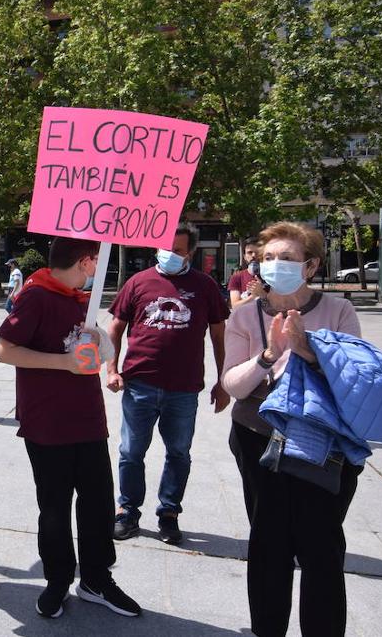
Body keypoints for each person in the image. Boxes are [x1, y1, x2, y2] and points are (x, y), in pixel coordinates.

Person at [221, 222, 363, 637]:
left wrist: (307, 351)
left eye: (286, 258)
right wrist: (268, 355)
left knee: (321, 546)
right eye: (268, 258)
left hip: (323, 444)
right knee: (269, 543)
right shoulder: (244, 314)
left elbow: (355, 381)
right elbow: (233, 384)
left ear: (311, 266)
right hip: (258, 439)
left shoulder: (338, 311)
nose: (274, 265)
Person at [0, 236, 142, 619]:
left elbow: (95, 352)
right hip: (46, 422)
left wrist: (98, 343)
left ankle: (96, 579)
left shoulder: (81, 299)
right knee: (55, 507)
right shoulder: (36, 295)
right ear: (85, 261)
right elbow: (4, 350)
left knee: (98, 502)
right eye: (97, 259)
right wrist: (64, 363)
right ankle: (58, 580)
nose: (98, 267)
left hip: (88, 418)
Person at [106, 225, 230, 545]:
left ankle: (169, 513)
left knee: (178, 453)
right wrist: (112, 369)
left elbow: (219, 336)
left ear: (190, 253)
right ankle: (127, 511)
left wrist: (223, 381)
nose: (170, 254)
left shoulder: (205, 286)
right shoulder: (138, 282)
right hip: (139, 385)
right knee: (131, 451)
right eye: (165, 248)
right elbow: (115, 328)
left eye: (178, 250)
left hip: (183, 389)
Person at [227, 241, 263, 310]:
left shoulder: (271, 277)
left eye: (257, 252)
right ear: (244, 257)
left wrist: (263, 294)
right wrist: (253, 296)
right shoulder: (236, 277)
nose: (253, 255)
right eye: (250, 252)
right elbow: (235, 306)